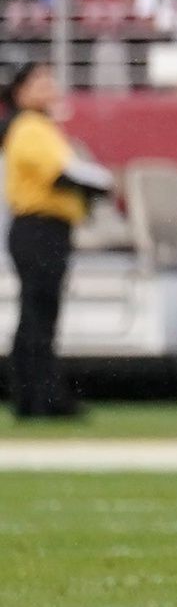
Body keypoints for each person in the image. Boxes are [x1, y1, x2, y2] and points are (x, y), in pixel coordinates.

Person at [3, 63, 111, 419]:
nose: (49, 86)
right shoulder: (30, 127)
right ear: (20, 92)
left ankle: (35, 397)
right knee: (39, 314)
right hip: (39, 227)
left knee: (38, 313)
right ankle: (40, 398)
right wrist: (99, 182)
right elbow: (62, 173)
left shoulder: (38, 127)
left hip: (42, 228)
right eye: (40, 81)